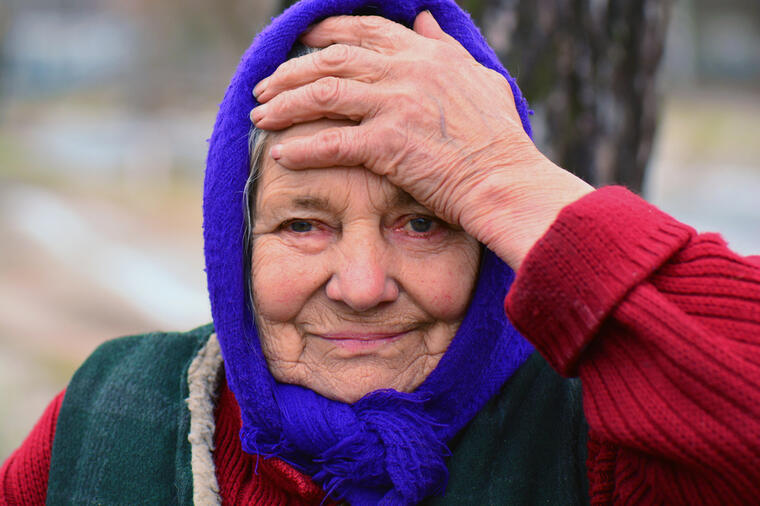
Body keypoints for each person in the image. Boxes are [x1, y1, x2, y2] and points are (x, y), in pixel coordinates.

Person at [2, 0, 759, 504]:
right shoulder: (110, 419)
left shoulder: (600, 440)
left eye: (424, 223)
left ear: (486, 243)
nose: (361, 287)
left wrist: (502, 176)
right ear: (235, 249)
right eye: (303, 225)